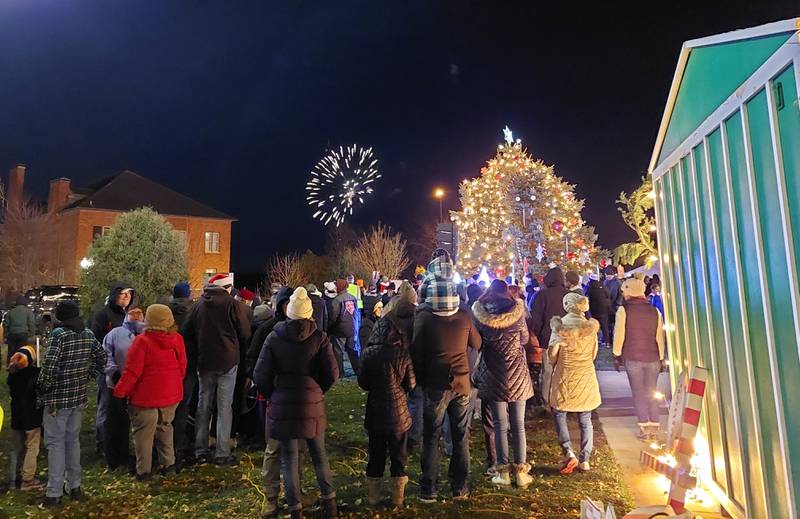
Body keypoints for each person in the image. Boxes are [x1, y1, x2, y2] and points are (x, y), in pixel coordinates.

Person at [253, 287, 340, 519]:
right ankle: (329, 502)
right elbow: (332, 373)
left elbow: (260, 374)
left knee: (289, 460)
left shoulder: (274, 336)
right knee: (319, 455)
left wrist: (274, 394)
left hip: (283, 403)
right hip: (312, 403)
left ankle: (295, 509)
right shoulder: (319, 338)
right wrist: (317, 390)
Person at [411, 252, 481, 502]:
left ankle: (428, 488)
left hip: (434, 384)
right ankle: (459, 487)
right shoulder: (463, 314)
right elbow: (477, 342)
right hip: (461, 381)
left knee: (431, 436)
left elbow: (416, 351)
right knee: (460, 436)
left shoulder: (424, 317)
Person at [37, 301, 106, 507]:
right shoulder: (87, 335)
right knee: (72, 442)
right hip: (77, 397)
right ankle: (75, 486)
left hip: (57, 400)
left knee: (55, 444)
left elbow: (48, 367)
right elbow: (101, 357)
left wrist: (42, 388)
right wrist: (87, 376)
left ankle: (54, 492)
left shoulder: (59, 336)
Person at [182, 273, 251, 466]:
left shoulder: (198, 304)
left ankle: (200, 449)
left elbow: (186, 330)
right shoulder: (232, 304)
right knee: (224, 407)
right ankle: (222, 452)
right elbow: (245, 331)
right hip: (228, 361)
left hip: (205, 362)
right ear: (227, 287)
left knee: (203, 405)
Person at [471, 280, 534, 488]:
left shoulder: (480, 315)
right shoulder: (517, 313)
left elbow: (478, 343)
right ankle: (521, 471)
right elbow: (524, 339)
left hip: (493, 374)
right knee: (518, 425)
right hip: (517, 374)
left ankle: (502, 471)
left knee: (499, 425)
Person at [113, 304, 186, 479]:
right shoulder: (177, 339)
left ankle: (143, 471)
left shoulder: (142, 342)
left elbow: (132, 373)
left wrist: (119, 392)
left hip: (144, 398)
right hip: (171, 395)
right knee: (165, 429)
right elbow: (182, 367)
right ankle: (168, 465)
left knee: (143, 436)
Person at [358, 297, 416, 508]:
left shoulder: (368, 353)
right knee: (398, 456)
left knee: (376, 455)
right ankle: (397, 498)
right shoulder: (402, 353)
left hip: (375, 412)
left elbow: (363, 383)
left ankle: (373, 497)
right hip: (399, 413)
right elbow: (411, 384)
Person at [548, 292, 601, 474]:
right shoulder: (590, 328)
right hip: (585, 375)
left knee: (559, 413)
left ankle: (569, 451)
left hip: (565, 375)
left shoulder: (559, 326)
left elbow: (551, 357)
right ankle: (585, 459)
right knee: (585, 419)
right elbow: (594, 354)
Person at [613, 278, 665, 440]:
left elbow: (619, 334)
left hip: (633, 356)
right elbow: (659, 337)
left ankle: (643, 427)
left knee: (638, 393)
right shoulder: (654, 311)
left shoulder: (624, 311)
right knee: (652, 391)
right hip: (653, 357)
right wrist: (662, 357)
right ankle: (654, 426)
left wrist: (616, 354)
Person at [91, 282, 134, 456]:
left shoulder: (128, 315)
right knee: (105, 406)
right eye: (123, 294)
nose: (126, 297)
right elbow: (96, 342)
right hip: (108, 370)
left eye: (129, 294)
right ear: (114, 295)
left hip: (125, 370)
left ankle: (118, 442)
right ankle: (102, 442)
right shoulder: (103, 315)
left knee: (121, 408)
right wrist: (106, 367)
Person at [103, 306, 146, 470]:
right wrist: (114, 373)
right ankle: (115, 458)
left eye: (139, 313)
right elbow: (106, 355)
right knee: (116, 421)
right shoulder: (115, 334)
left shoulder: (146, 334)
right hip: (116, 384)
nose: (135, 316)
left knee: (141, 422)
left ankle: (139, 456)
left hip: (140, 386)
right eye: (132, 314)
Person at [530, 267, 569, 405]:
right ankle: (562, 398)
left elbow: (536, 318)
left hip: (548, 338)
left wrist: (539, 335)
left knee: (547, 371)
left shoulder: (542, 295)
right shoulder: (569, 295)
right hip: (566, 338)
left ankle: (546, 400)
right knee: (563, 369)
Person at [7, 344, 43, 491]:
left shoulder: (12, 376)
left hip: (17, 418)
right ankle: (27, 480)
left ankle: (13, 477)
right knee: (32, 447)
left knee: (17, 449)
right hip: (31, 418)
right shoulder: (35, 374)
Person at [169, 282, 197, 466]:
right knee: (184, 403)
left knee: (167, 404)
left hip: (169, 362)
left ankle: (164, 444)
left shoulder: (165, 311)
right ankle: (179, 442)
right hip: (190, 361)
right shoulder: (194, 311)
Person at [328, 279, 359, 376]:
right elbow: (356, 313)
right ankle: (358, 370)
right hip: (351, 328)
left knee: (338, 351)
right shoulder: (353, 298)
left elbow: (333, 316)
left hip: (340, 329)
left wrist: (329, 328)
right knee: (351, 350)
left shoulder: (337, 300)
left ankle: (340, 372)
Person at [3, 294, 35, 362]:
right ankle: (21, 365)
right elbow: (31, 323)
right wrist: (31, 333)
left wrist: (6, 335)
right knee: (22, 351)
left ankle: (10, 365)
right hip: (23, 334)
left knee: (11, 352)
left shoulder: (11, 312)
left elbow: (5, 324)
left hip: (12, 334)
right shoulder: (28, 311)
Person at [588, 278, 612, 346]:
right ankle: (607, 342)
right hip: (604, 309)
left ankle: (596, 340)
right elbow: (608, 295)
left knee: (595, 326)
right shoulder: (603, 287)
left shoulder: (591, 289)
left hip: (594, 311)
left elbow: (589, 298)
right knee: (605, 326)